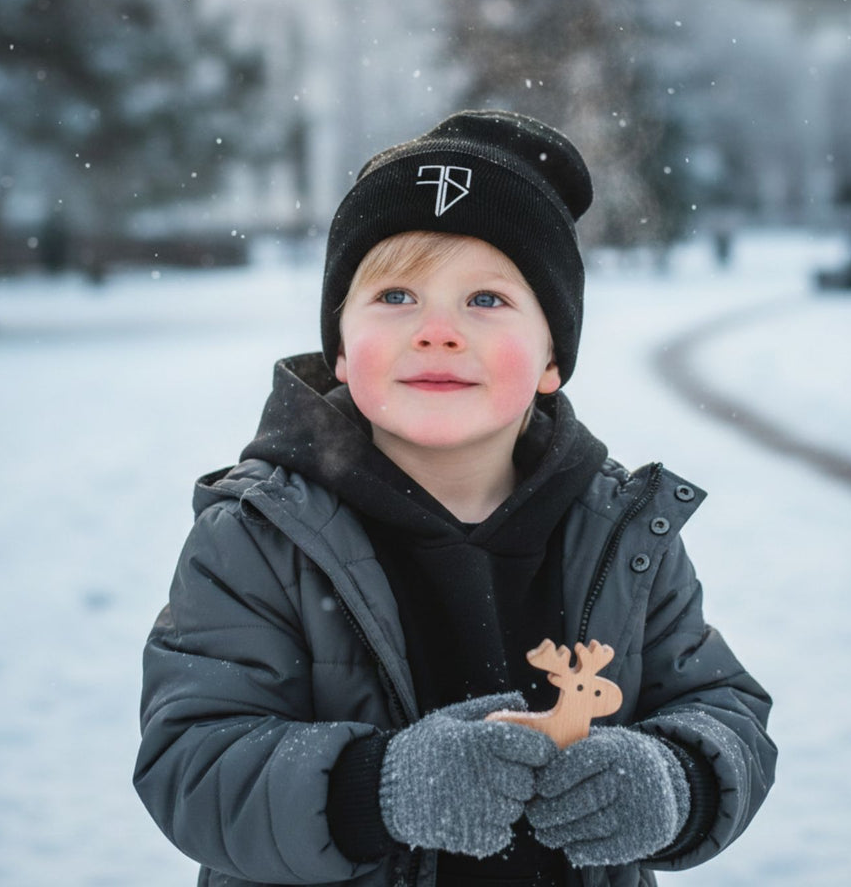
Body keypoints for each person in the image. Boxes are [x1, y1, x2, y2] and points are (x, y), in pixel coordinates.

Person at [134, 110, 776, 887]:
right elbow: (193, 764)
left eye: (487, 301)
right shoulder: (259, 538)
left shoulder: (622, 534)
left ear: (551, 358)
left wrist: (677, 781)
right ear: (340, 348)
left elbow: (723, 710)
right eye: (397, 296)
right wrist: (379, 789)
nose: (437, 331)